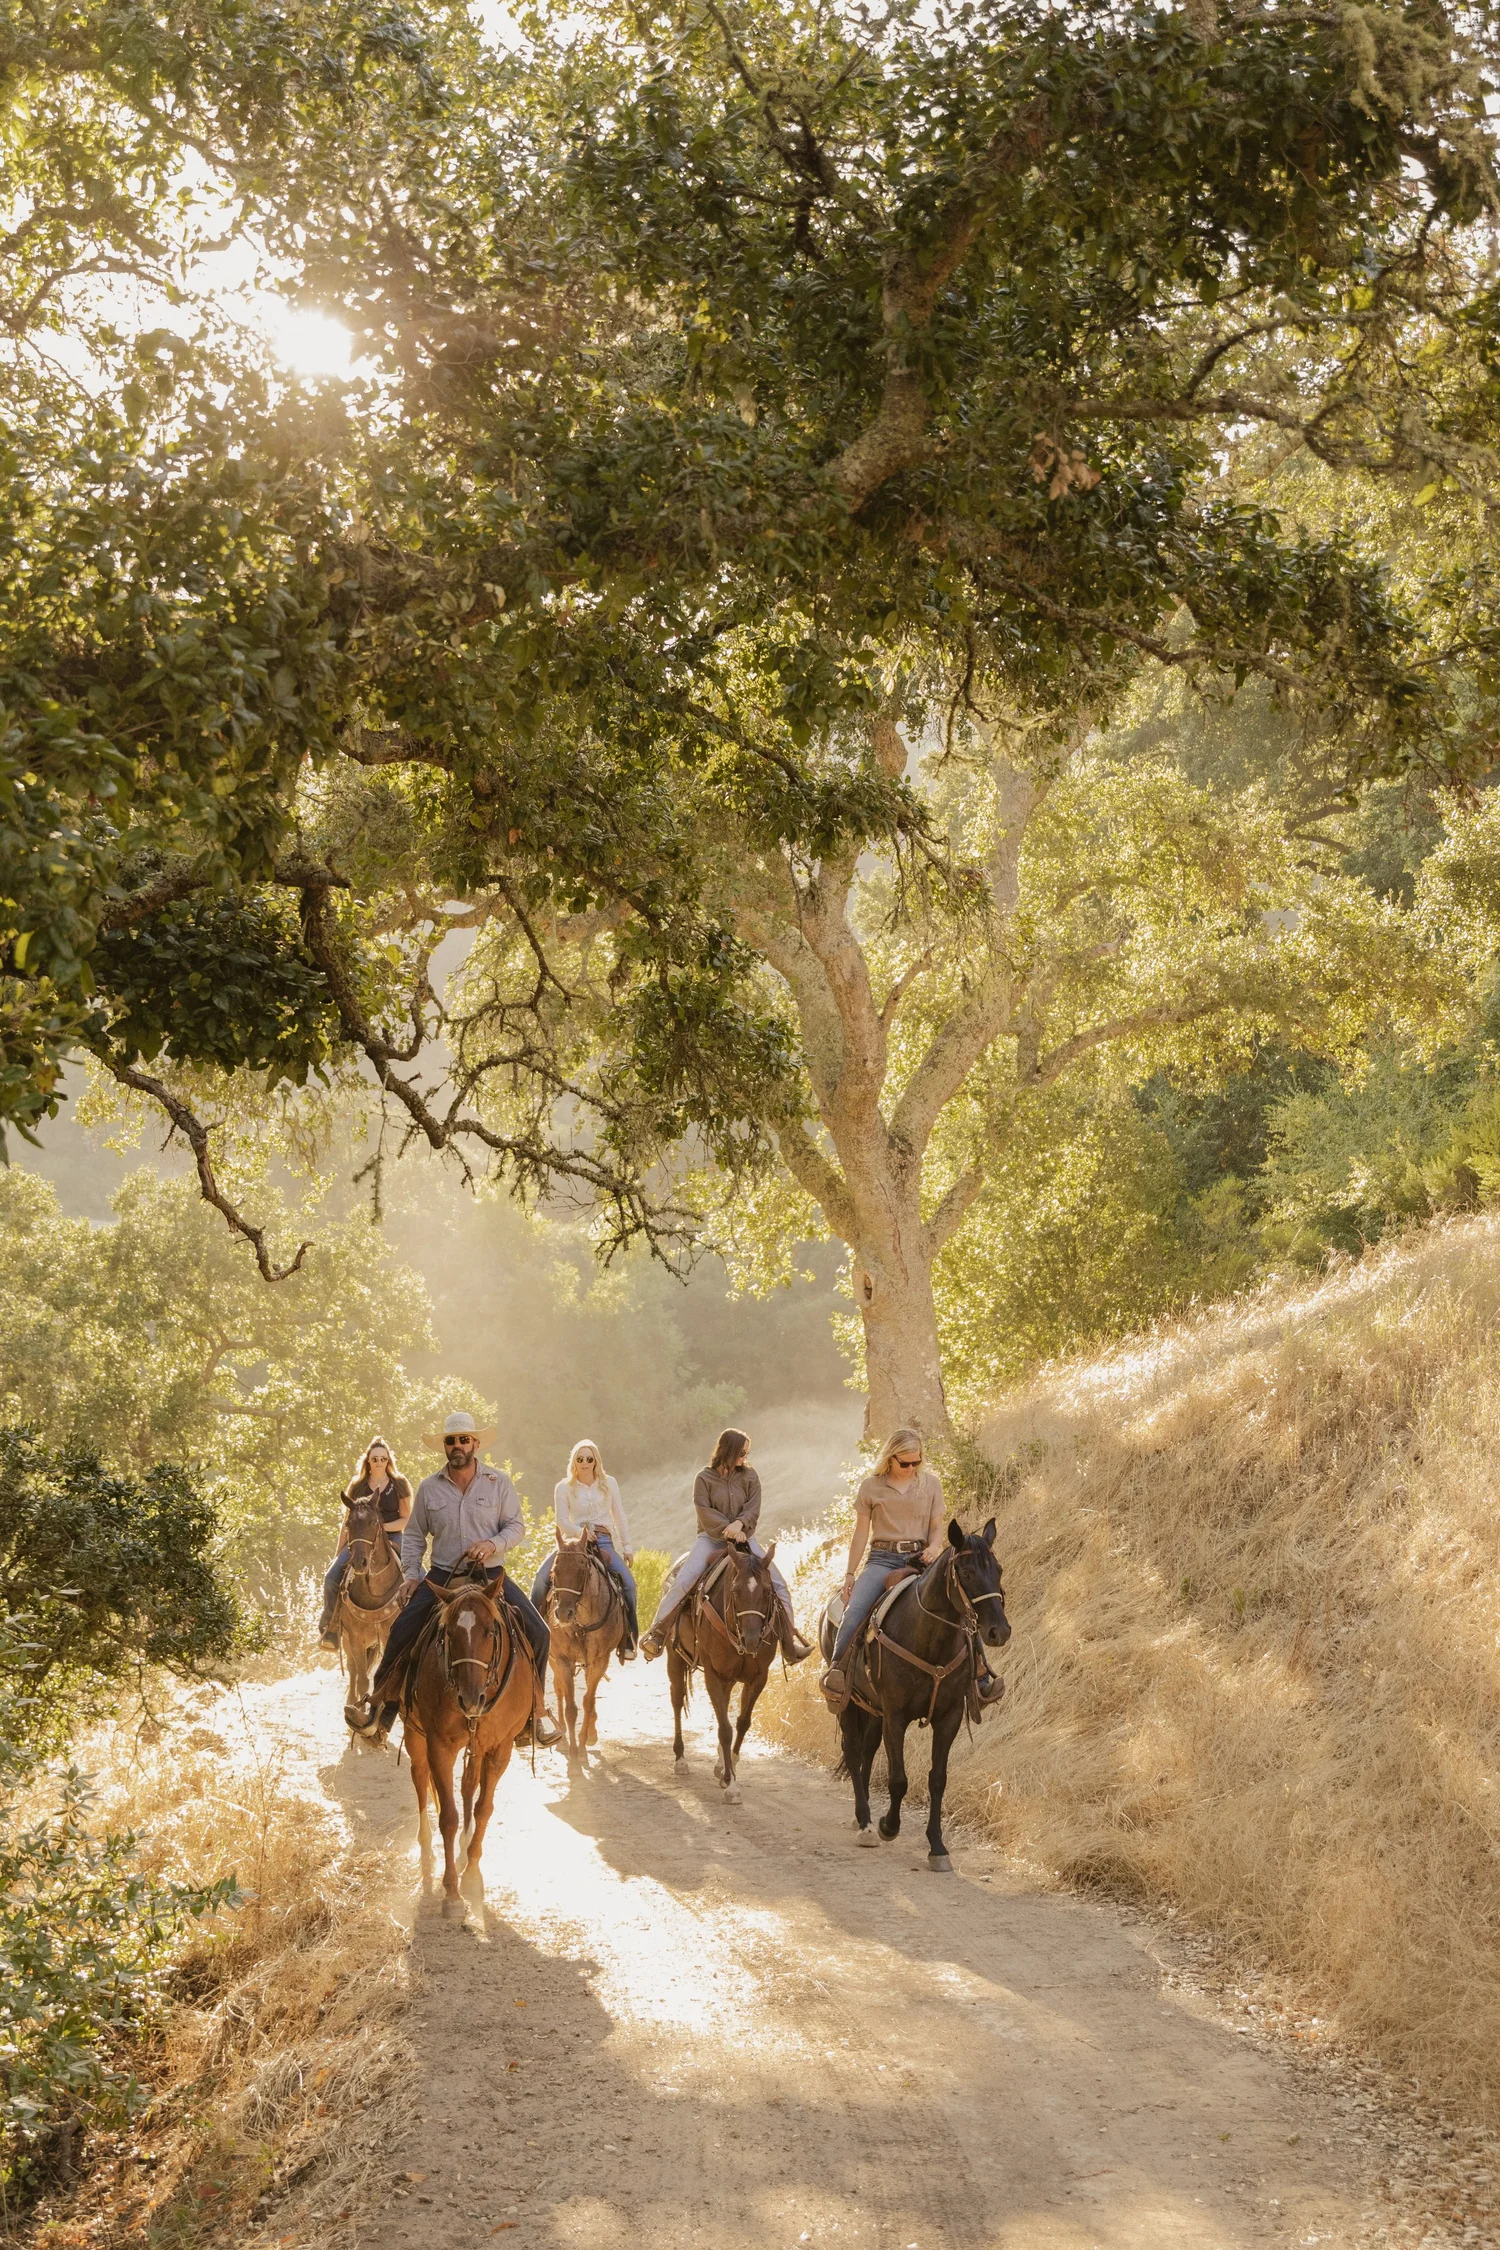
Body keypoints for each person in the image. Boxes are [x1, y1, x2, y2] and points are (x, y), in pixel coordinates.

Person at [353, 1411, 560, 1747]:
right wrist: (410, 1576)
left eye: (464, 1439)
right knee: (402, 1629)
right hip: (443, 1575)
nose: (458, 1445)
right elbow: (416, 1535)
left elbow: (516, 1527)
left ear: (475, 1443)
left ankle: (533, 1716)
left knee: (538, 1631)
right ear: (445, 1446)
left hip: (490, 1576)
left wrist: (492, 1544)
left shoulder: (499, 1482)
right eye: (452, 1440)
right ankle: (379, 1711)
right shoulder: (428, 1488)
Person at [819, 1426, 1003, 1711]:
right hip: (883, 1559)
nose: (910, 1467)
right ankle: (837, 1673)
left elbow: (936, 1525)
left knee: (965, 1604)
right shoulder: (871, 1487)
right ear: (890, 1458)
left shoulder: (930, 1484)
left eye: (916, 1461)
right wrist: (850, 1573)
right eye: (904, 1462)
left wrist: (933, 1547)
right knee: (855, 1610)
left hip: (923, 1559)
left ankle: (978, 1680)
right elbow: (860, 1534)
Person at [639, 1427, 812, 1664]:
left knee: (779, 1585)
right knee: (683, 1582)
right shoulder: (704, 1478)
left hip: (745, 1538)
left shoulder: (751, 1477)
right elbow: (703, 1510)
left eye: (747, 1453)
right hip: (710, 1539)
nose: (745, 1458)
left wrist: (740, 1524)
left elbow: (753, 1508)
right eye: (741, 1452)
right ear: (727, 1450)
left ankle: (789, 1645)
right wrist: (726, 1528)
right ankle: (656, 1635)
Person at [531, 1440, 639, 1660]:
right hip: (573, 1543)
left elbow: (619, 1516)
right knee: (541, 1579)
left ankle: (628, 1638)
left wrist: (627, 1546)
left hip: (603, 1540)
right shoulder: (564, 1487)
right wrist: (580, 1531)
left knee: (628, 1583)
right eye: (580, 1459)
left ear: (596, 1461)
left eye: (589, 1458)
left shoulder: (609, 1483)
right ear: (574, 1461)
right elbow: (561, 1520)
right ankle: (532, 1634)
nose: (584, 1463)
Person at [318, 1436, 412, 1649]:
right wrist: (338, 1551)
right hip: (360, 1538)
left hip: (392, 1536)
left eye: (383, 1459)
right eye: (375, 1458)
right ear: (368, 1461)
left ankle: (419, 1629)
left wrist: (380, 1528)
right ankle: (330, 1629)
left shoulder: (399, 1484)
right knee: (331, 1577)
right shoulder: (358, 1485)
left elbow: (406, 1519)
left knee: (421, 1577)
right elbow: (347, 1522)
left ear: (388, 1460)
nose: (379, 1462)